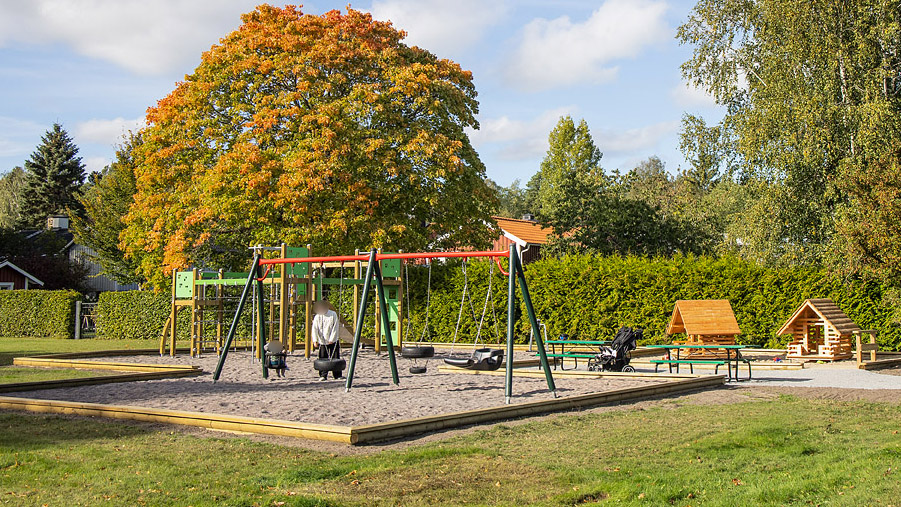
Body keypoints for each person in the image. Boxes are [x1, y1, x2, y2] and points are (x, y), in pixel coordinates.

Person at [312, 300, 342, 380]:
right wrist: (315, 340)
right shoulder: (318, 317)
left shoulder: (333, 314)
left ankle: (337, 375)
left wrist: (332, 339)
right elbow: (314, 329)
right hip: (322, 341)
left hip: (333, 340)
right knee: (322, 357)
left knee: (335, 357)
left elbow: (335, 327)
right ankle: (323, 375)